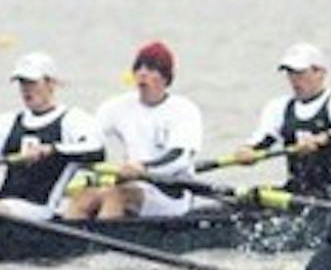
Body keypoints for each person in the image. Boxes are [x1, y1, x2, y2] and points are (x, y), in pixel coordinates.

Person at [66, 40, 203, 221]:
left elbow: (179, 158)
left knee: (116, 196)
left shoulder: (184, 110)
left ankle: (101, 245)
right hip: (131, 183)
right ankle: (66, 245)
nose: (142, 73)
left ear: (165, 77)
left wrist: (143, 167)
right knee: (83, 197)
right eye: (139, 68)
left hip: (169, 194)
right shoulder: (118, 106)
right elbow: (90, 136)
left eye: (151, 68)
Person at [235, 42, 331, 198]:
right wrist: (247, 150)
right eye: (290, 74)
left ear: (320, 72)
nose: (294, 80)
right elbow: (263, 139)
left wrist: (322, 139)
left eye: (300, 74)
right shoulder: (279, 107)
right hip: (296, 194)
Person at [0, 52, 105, 220]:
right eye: (22, 83)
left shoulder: (72, 120)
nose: (26, 89)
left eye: (32, 83)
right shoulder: (9, 122)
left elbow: (97, 149)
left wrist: (52, 149)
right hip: (8, 208)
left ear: (51, 83)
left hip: (42, 211)